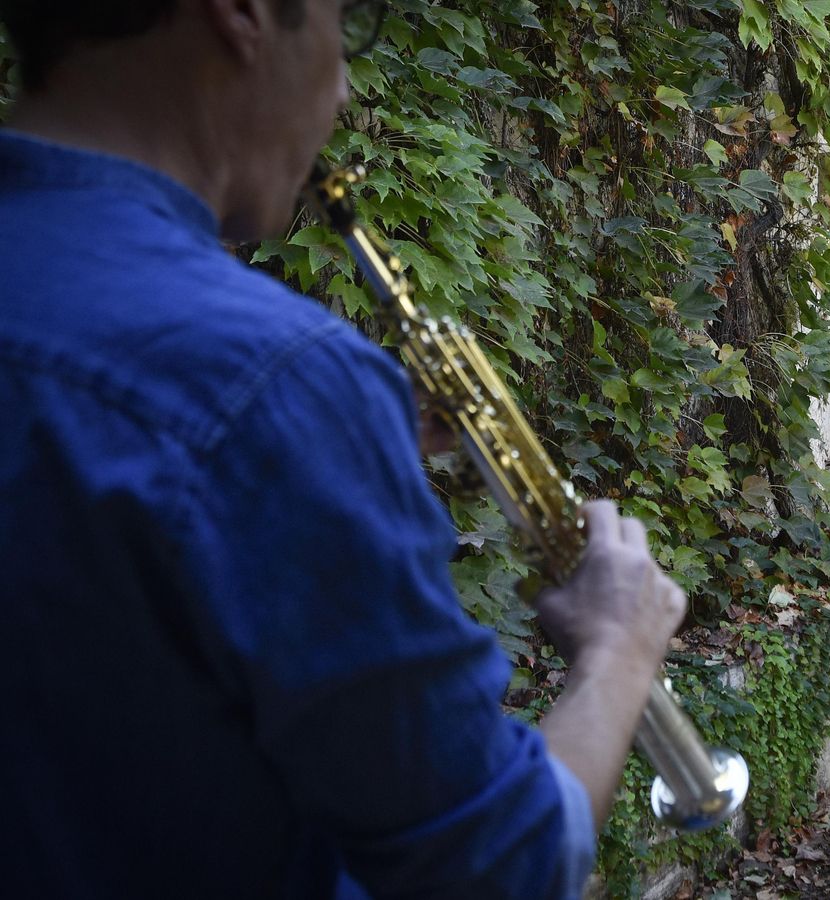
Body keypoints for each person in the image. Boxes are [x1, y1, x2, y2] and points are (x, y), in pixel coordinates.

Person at [0, 1, 684, 897]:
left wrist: (301, 462)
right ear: (242, 14)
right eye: (343, 31)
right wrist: (619, 650)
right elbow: (500, 864)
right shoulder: (276, 381)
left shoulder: (254, 406)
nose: (346, 81)